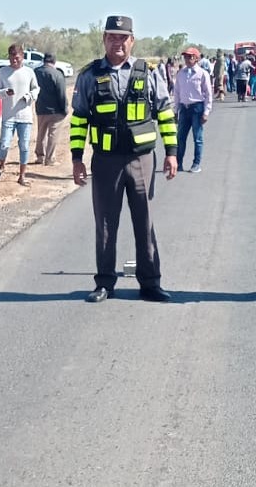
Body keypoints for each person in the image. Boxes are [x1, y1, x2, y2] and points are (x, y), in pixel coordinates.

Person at [69, 15, 178, 303]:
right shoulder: (89, 75)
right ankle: (104, 282)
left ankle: (151, 283)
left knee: (145, 222)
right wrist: (76, 158)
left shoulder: (149, 72)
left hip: (141, 160)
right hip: (105, 161)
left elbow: (165, 113)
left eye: (123, 37)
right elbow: (79, 119)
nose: (117, 42)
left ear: (132, 40)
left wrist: (171, 153)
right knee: (105, 224)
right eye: (111, 37)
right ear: (104, 39)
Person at [0, 44, 40, 186]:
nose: (13, 60)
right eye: (11, 57)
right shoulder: (3, 72)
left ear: (22, 57)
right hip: (9, 116)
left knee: (24, 146)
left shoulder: (29, 72)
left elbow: (36, 89)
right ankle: (1, 165)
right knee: (4, 144)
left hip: (25, 116)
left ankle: (22, 175)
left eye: (16, 57)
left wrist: (29, 96)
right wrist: (5, 92)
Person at [173, 47, 213, 173]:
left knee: (198, 138)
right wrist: (175, 110)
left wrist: (206, 112)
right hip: (184, 109)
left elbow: (208, 94)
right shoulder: (181, 73)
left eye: (190, 57)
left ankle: (196, 164)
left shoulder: (202, 74)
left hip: (197, 108)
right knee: (180, 138)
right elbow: (177, 93)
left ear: (196, 59)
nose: (187, 59)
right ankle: (178, 163)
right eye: (185, 57)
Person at [33, 53, 68, 166]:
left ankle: (40, 157)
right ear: (54, 62)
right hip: (56, 110)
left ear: (44, 60)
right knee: (53, 134)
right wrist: (64, 109)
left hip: (41, 108)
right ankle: (49, 159)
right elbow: (61, 93)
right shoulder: (57, 74)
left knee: (41, 133)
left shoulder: (35, 72)